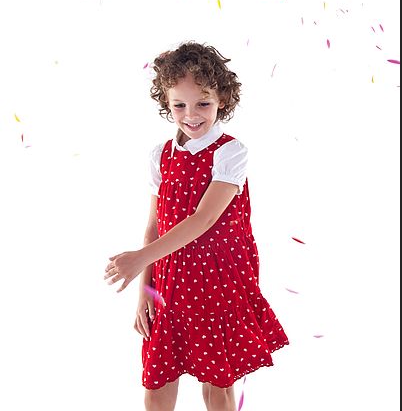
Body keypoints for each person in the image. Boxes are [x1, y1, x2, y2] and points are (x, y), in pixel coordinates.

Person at [104, 41, 289, 411]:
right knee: (157, 383)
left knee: (216, 384)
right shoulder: (162, 155)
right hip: (171, 280)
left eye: (202, 103)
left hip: (218, 280)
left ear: (222, 98)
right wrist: (146, 290)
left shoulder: (230, 152)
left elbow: (203, 219)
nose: (191, 114)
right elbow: (154, 228)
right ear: (167, 103)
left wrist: (139, 259)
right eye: (179, 105)